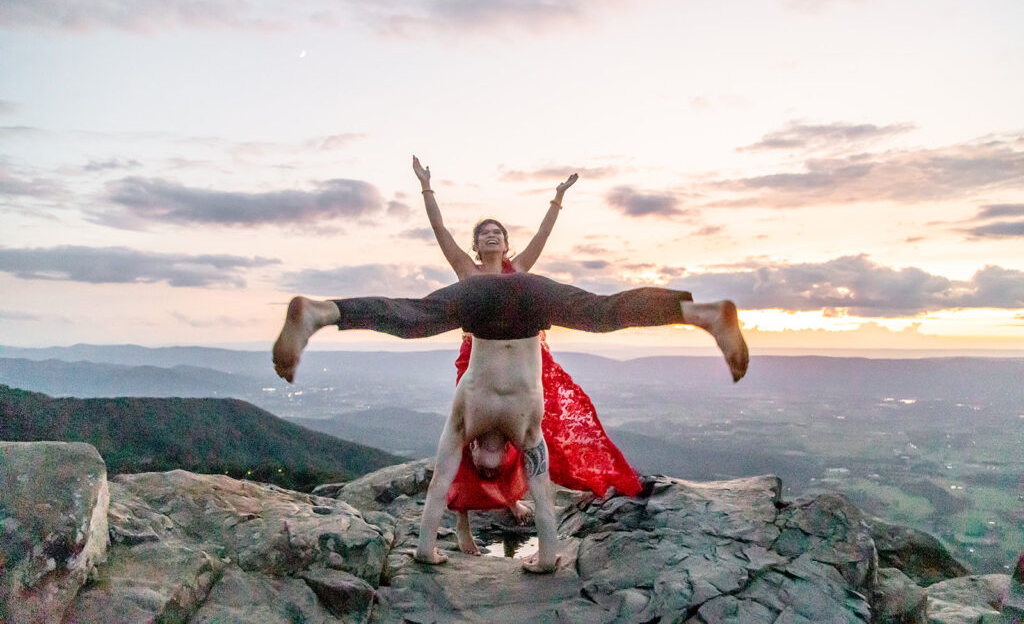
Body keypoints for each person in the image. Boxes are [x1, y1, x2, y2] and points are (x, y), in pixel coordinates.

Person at [272, 271, 749, 573]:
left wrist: (427, 550)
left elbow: (443, 481)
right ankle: (698, 313)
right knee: (599, 312)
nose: (490, 458)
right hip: (524, 298)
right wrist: (545, 558)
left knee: (417, 314)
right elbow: (529, 492)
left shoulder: (481, 416)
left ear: (479, 453)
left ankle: (324, 312)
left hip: (487, 302)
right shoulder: (522, 428)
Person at [412, 155, 641, 557]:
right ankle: (462, 529)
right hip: (475, 363)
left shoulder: (520, 272)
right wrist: (426, 187)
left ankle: (510, 498)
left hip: (522, 365)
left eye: (497, 231)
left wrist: (557, 198)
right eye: (484, 232)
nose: (491, 236)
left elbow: (542, 236)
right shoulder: (468, 273)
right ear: (476, 244)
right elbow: (439, 229)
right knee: (463, 447)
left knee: (523, 438)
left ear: (505, 241)